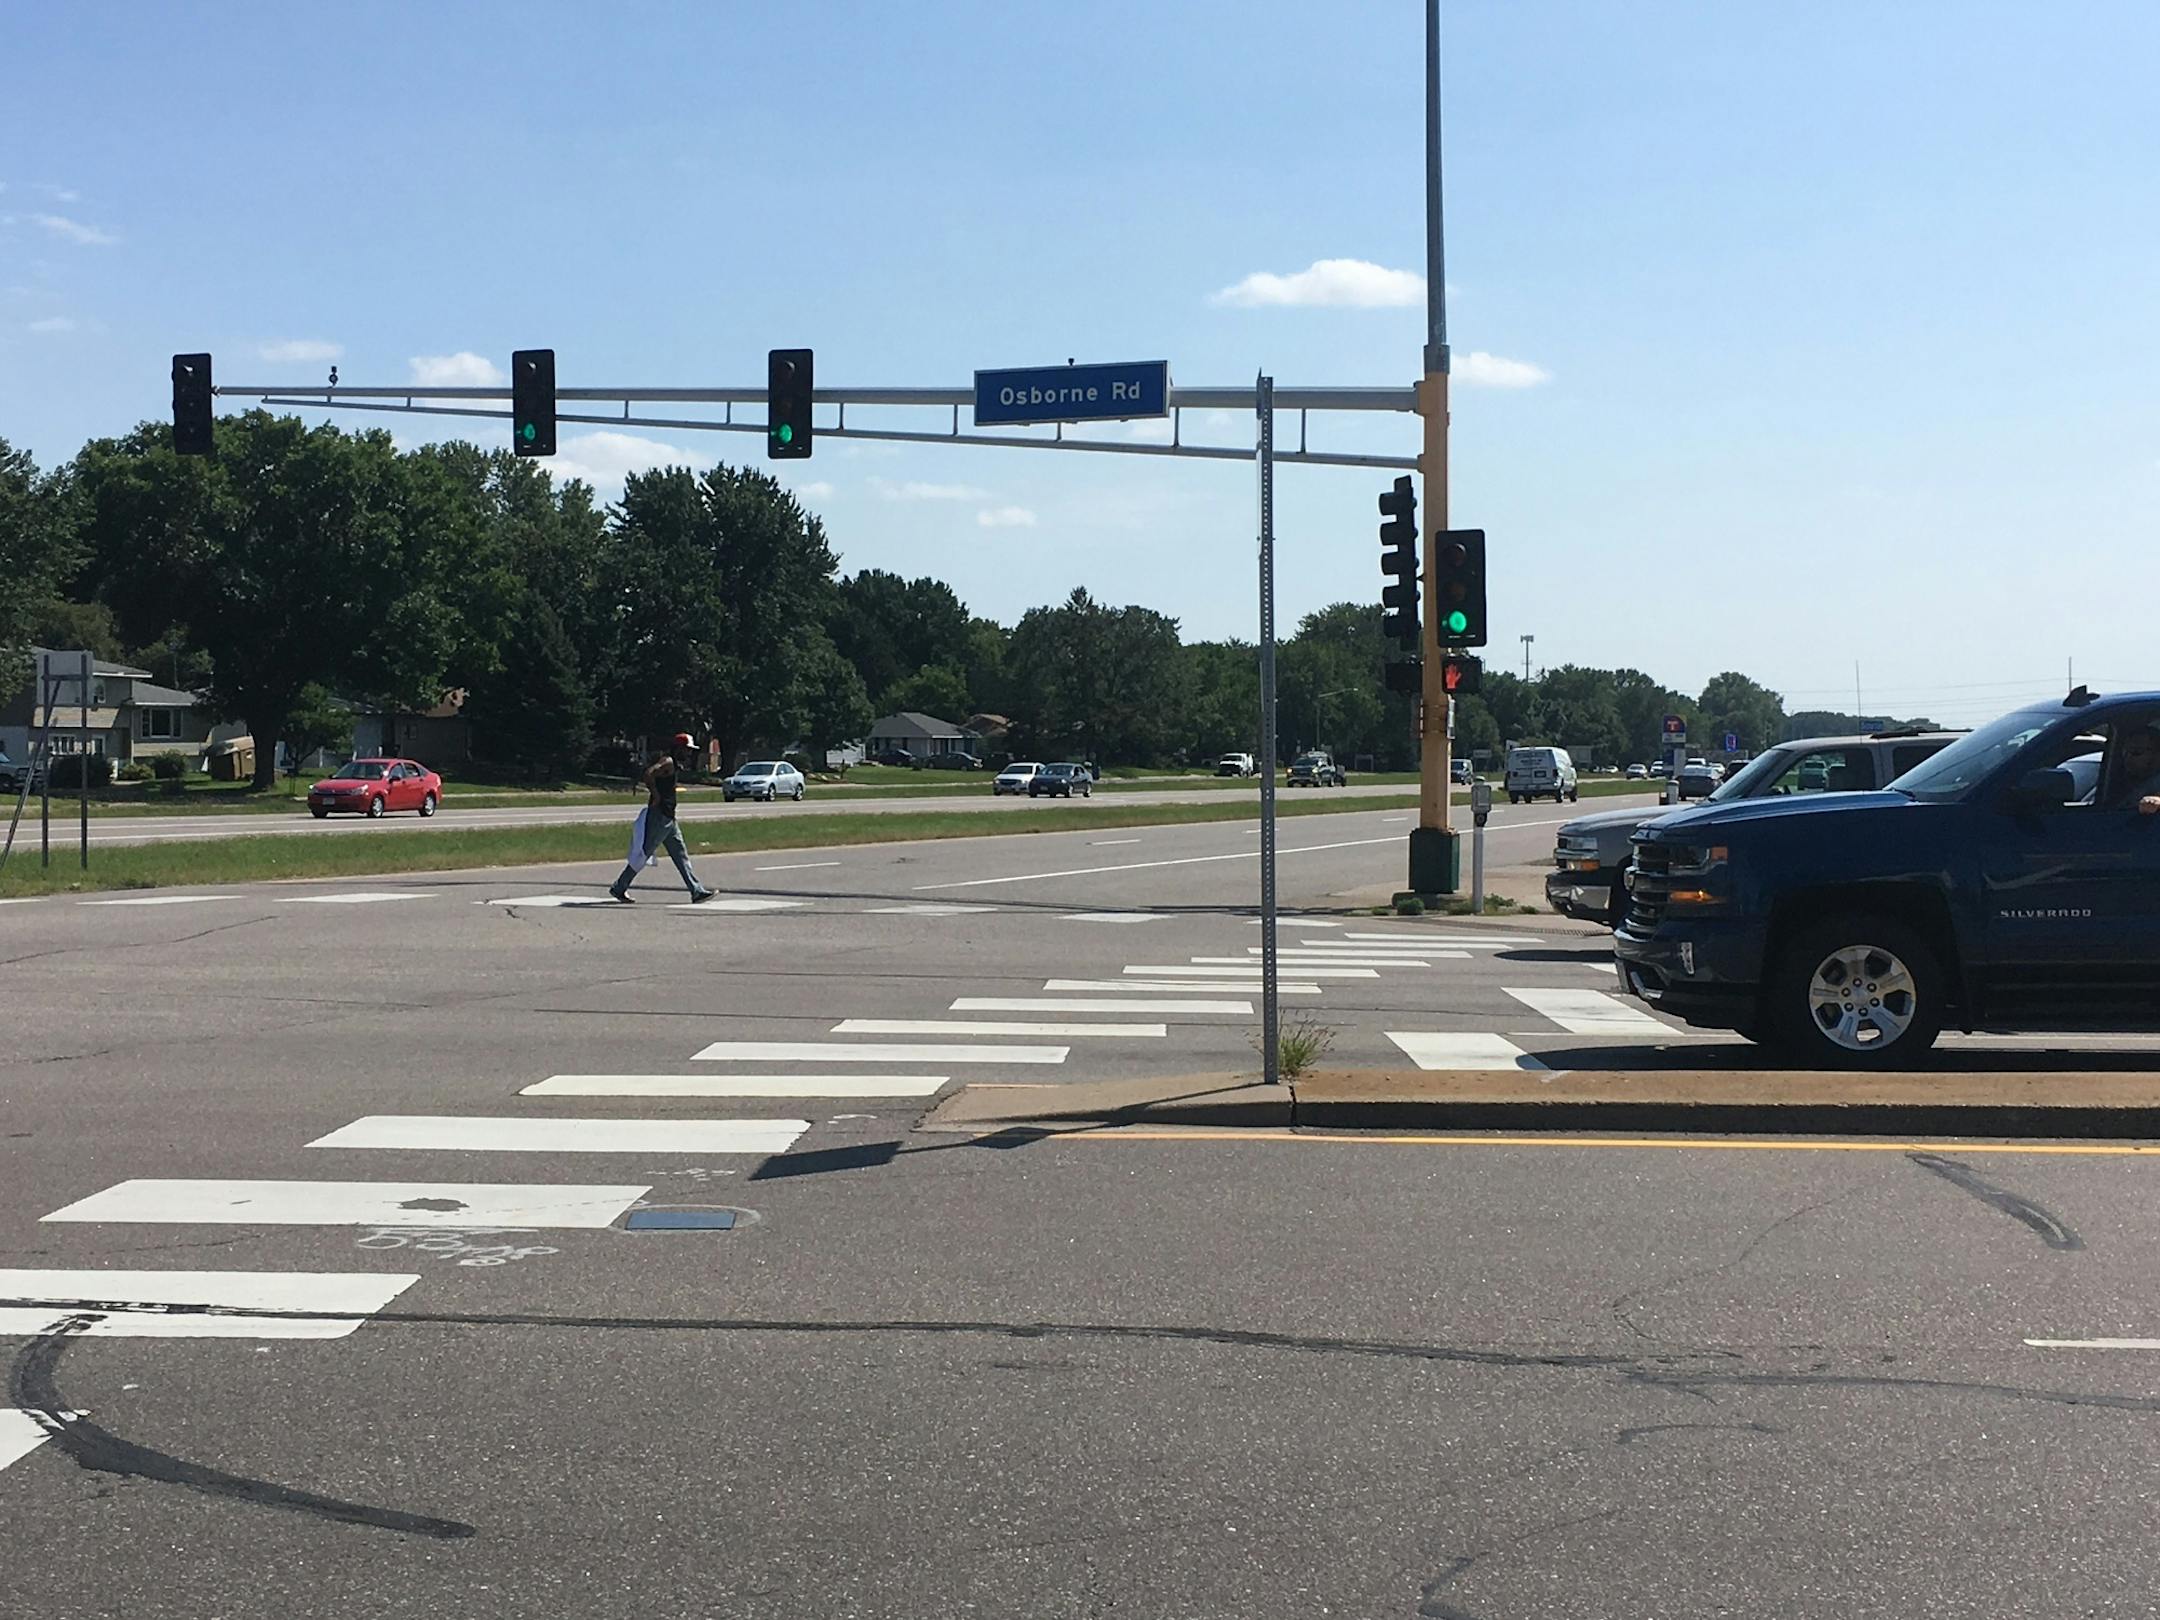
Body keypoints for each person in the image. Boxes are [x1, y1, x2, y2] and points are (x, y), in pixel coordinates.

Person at [609, 752, 716, 903]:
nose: (689, 752)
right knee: (644, 853)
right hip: (660, 816)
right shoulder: (668, 762)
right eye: (686, 749)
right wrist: (656, 795)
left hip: (668, 817)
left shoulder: (672, 764)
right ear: (680, 748)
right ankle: (619, 887)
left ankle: (696, 891)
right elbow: (648, 773)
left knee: (680, 855)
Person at [2114, 723, 2160, 816]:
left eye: (2136, 752)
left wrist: (2156, 802)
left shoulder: (2156, 782)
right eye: (2125, 751)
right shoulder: (2115, 780)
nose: (2128, 757)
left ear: (2157, 755)